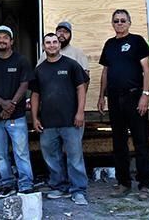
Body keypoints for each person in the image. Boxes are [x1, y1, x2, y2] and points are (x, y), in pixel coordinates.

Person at [97, 9, 149, 199]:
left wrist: (145, 95)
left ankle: (144, 185)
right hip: (114, 99)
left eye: (123, 20)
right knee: (118, 142)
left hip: (134, 97)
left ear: (129, 22)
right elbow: (105, 72)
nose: (119, 23)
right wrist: (101, 96)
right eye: (116, 21)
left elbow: (146, 69)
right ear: (112, 24)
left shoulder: (137, 41)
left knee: (140, 142)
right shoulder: (109, 44)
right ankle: (123, 183)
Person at [31, 32, 89, 206]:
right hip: (48, 123)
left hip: (71, 121)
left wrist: (80, 112)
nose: (51, 45)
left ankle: (78, 190)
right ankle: (60, 187)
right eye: (47, 43)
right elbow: (35, 95)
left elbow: (81, 88)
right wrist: (35, 118)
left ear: (59, 44)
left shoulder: (71, 65)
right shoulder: (39, 69)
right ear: (43, 47)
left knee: (75, 157)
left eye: (54, 42)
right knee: (51, 157)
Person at [0, 25, 34, 197]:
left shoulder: (21, 61)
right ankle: (7, 184)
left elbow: (24, 84)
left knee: (21, 152)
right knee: (1, 154)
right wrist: (3, 104)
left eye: (5, 37)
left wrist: (11, 104)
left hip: (17, 116)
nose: (1, 40)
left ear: (11, 41)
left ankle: (26, 184)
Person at [39, 21, 90, 89]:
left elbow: (85, 79)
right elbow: (38, 75)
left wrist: (80, 98)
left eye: (66, 32)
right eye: (59, 31)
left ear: (70, 35)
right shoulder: (45, 54)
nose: (62, 34)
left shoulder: (78, 53)